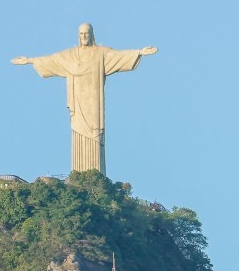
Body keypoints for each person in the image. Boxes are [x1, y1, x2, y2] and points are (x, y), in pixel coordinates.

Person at [11, 23, 157, 174]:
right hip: (77, 103)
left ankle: (95, 175)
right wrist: (30, 60)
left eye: (86, 33)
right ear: (78, 35)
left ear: (92, 34)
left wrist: (139, 52)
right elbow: (52, 60)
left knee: (94, 135)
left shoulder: (100, 53)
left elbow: (119, 56)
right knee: (77, 132)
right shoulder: (70, 55)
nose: (84, 36)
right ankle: (79, 175)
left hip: (94, 106)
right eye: (81, 33)